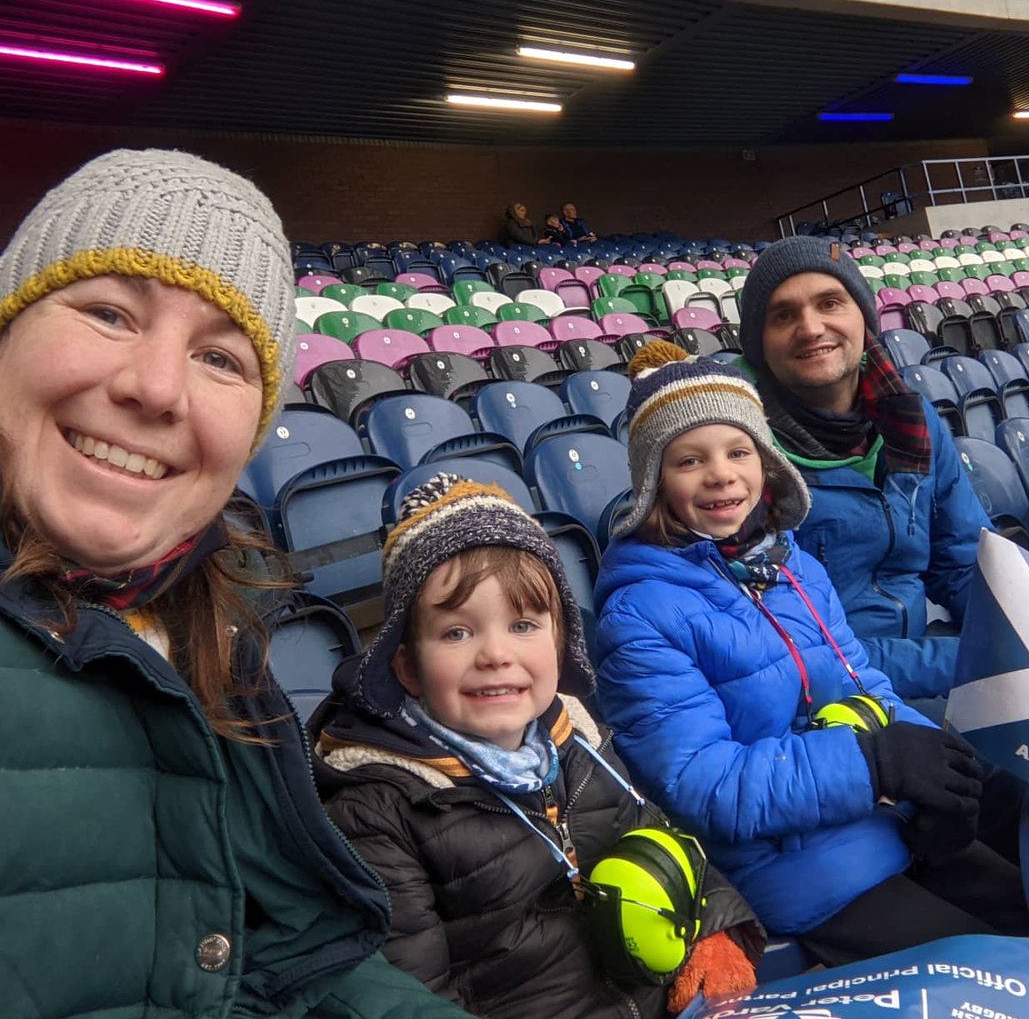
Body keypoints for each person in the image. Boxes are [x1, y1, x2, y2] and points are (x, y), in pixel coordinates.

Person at [0, 150, 465, 1019]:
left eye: (221, 359)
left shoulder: (207, 637)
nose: (155, 388)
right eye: (107, 311)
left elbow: (289, 958)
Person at [593, 343, 1029, 963]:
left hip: (879, 824)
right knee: (1000, 971)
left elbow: (865, 683)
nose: (721, 474)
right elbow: (703, 784)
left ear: (766, 464)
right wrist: (876, 766)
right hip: (797, 873)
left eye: (739, 452)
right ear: (652, 483)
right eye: (689, 460)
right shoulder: (639, 613)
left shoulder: (792, 563)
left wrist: (933, 769)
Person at [311, 473, 762, 1018]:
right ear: (406, 666)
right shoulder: (380, 809)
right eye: (457, 633)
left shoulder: (578, 740)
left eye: (523, 624)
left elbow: (663, 839)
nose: (496, 654)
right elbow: (418, 993)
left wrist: (716, 932)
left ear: (561, 642)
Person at [736, 238, 993, 705]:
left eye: (830, 303)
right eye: (783, 316)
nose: (811, 328)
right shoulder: (740, 454)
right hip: (824, 699)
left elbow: (962, 556)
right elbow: (788, 645)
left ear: (863, 317)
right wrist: (973, 661)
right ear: (759, 345)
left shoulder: (913, 423)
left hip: (921, 669)